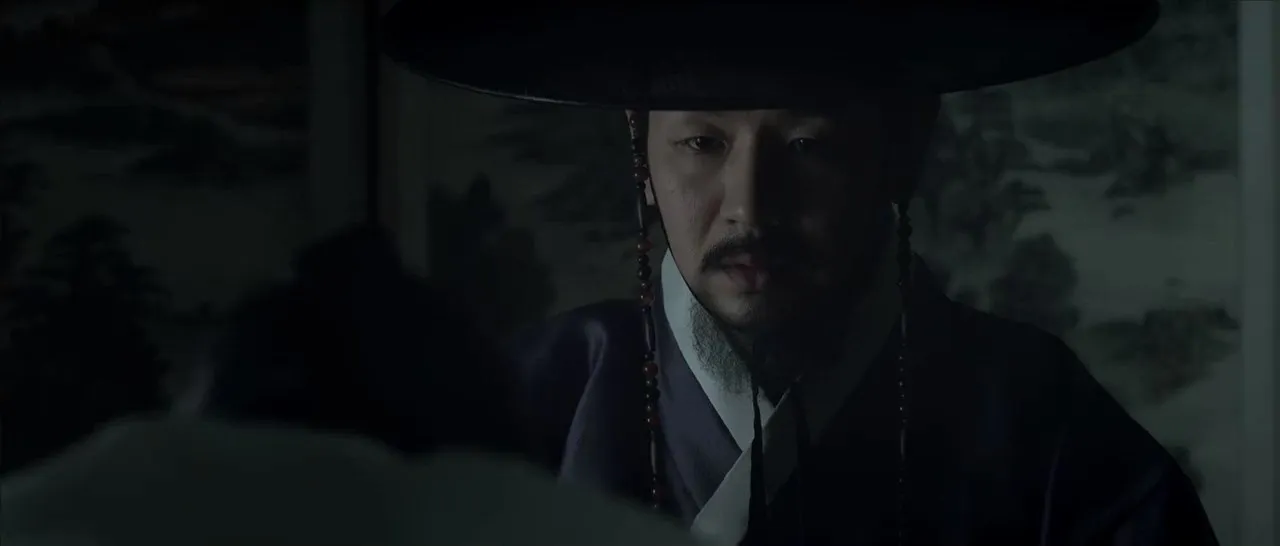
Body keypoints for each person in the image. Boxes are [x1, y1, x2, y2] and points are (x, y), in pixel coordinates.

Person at [381, 2, 1220, 546]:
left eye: (808, 146)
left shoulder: (1038, 416)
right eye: (702, 144)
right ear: (641, 154)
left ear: (903, 150)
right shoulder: (540, 393)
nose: (750, 207)